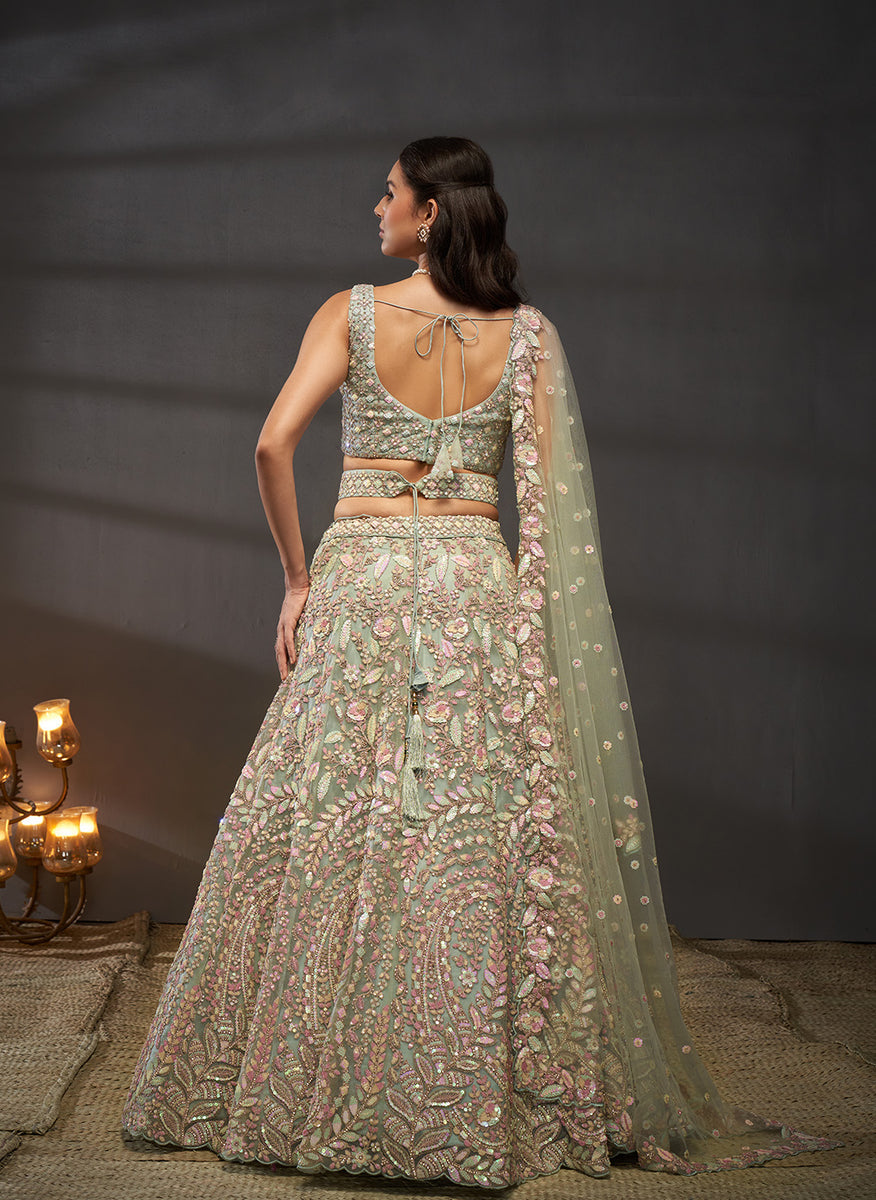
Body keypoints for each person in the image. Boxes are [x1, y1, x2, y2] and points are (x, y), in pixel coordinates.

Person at [122, 137, 841, 1187]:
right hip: (474, 587)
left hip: (366, 581)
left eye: (389, 194)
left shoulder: (350, 314)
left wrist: (295, 578)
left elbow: (272, 445)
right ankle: (474, 1095)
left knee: (335, 813)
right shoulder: (530, 335)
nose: (376, 208)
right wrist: (535, 636)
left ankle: (307, 1081)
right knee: (472, 831)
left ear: (428, 214)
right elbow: (550, 513)